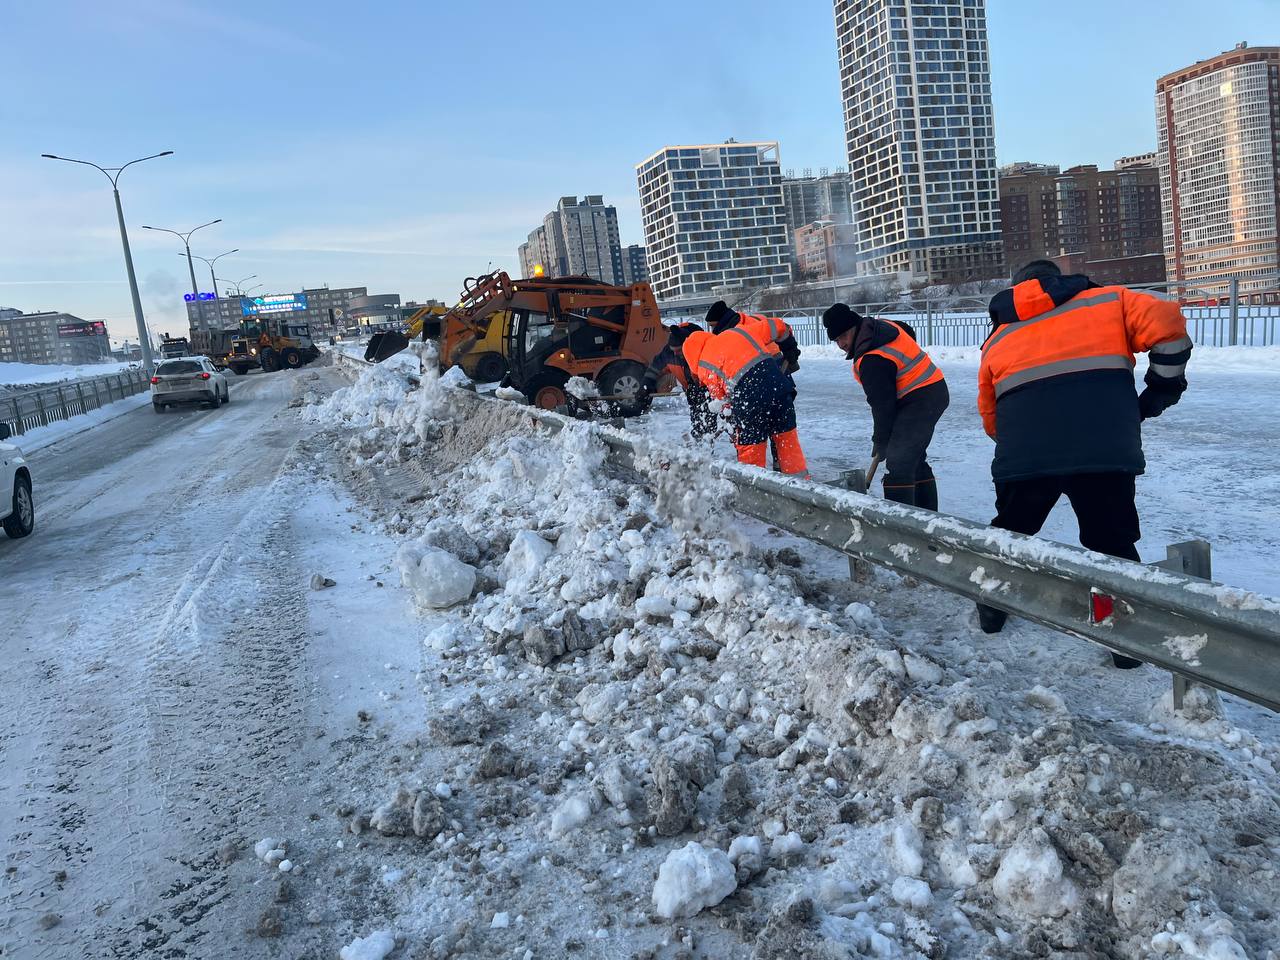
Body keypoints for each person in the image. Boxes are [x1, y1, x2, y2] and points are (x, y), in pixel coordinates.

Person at [975, 259, 1192, 666]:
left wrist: (1020, 447)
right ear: (1059, 280)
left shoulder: (999, 337)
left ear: (1016, 290)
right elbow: (1167, 320)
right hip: (1104, 449)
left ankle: (991, 610)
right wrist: (1159, 391)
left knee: (1011, 533)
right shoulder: (1110, 301)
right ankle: (1125, 643)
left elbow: (990, 413)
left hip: (1028, 452)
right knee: (1111, 543)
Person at [821, 303, 949, 508]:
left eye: (843, 335)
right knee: (913, 458)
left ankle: (901, 527)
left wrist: (881, 441)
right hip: (930, 391)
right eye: (836, 339)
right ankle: (927, 519)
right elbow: (906, 331)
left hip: (920, 399)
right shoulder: (879, 328)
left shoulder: (872, 359)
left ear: (855, 326)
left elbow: (882, 407)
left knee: (899, 463)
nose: (841, 344)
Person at [681, 306, 810, 477]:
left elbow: (723, 403)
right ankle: (801, 486)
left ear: (691, 357)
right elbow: (779, 326)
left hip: (750, 402)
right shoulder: (738, 332)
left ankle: (754, 494)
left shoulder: (704, 366)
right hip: (780, 388)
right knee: (787, 442)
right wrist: (789, 346)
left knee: (751, 450)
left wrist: (733, 427)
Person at [638, 323, 718, 441]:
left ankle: (708, 445)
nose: (675, 354)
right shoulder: (668, 353)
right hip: (691, 394)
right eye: (673, 350)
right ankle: (700, 445)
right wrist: (645, 385)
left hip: (708, 393)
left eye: (678, 350)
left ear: (687, 345)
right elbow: (655, 368)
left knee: (709, 424)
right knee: (697, 423)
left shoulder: (702, 348)